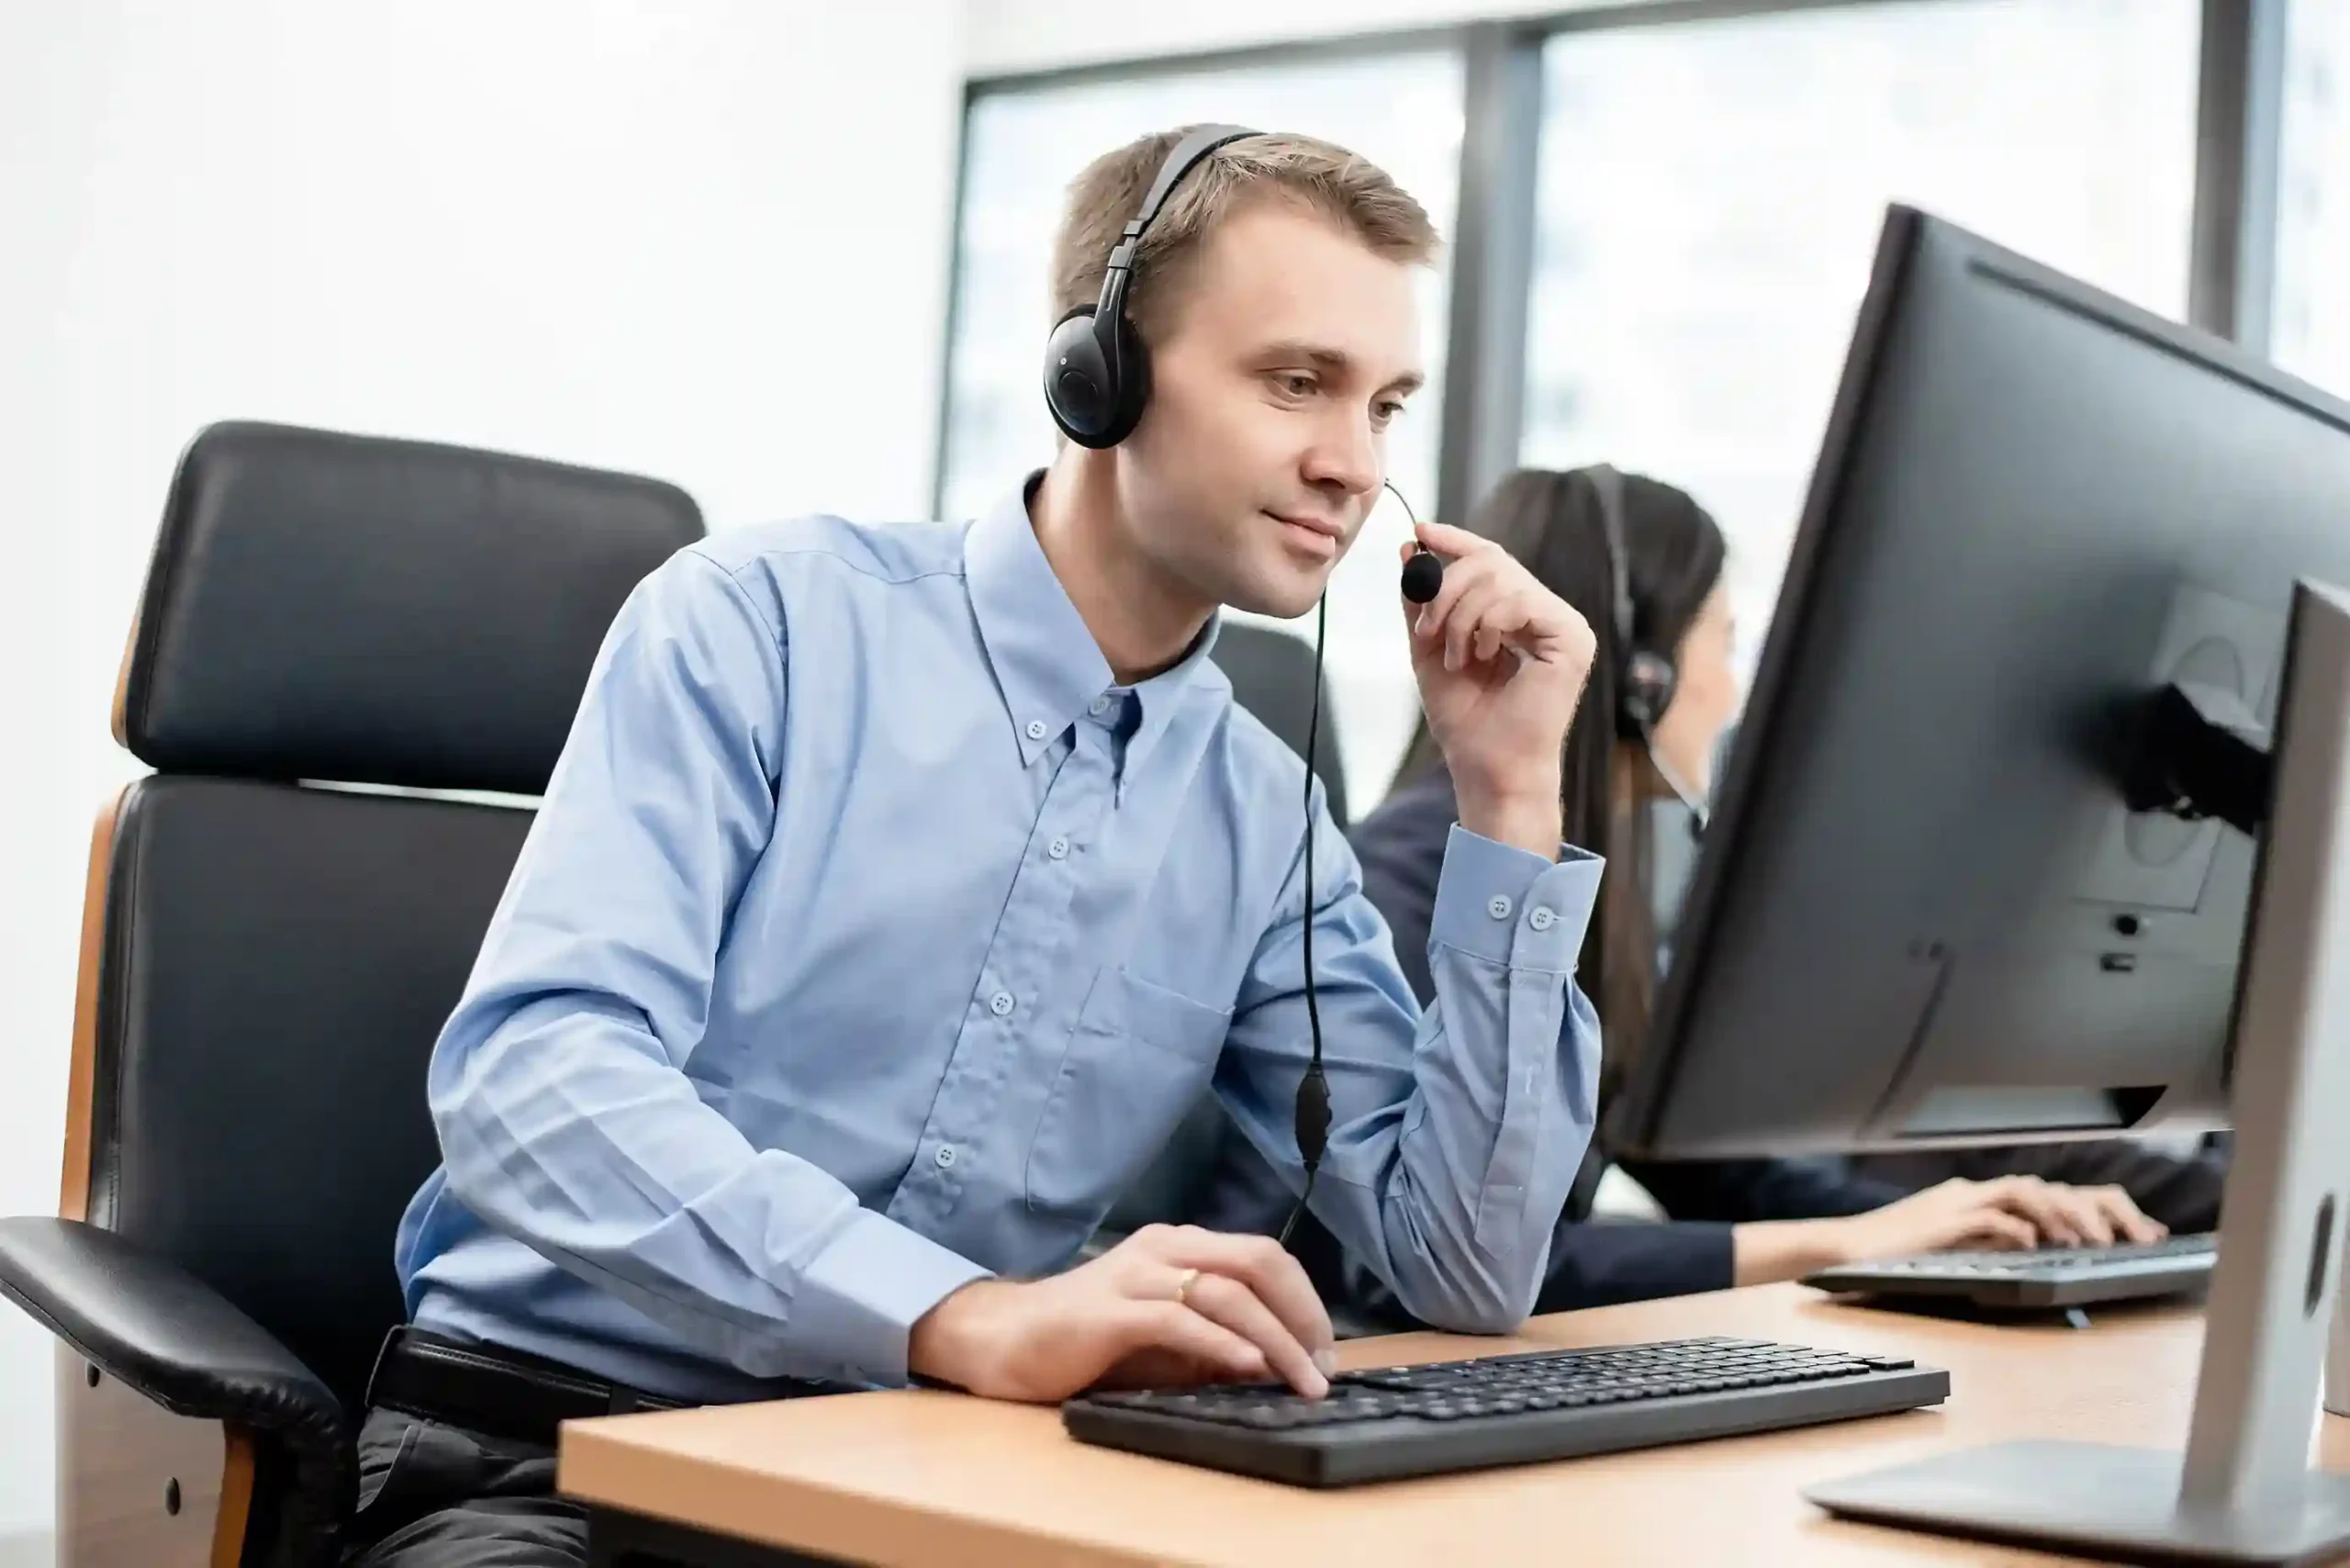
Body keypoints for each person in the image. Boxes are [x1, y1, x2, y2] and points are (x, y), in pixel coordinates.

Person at [340, 129, 1608, 1565]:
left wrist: (1509, 804)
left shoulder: (1262, 818)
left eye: (1385, 404)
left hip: (945, 1487)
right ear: (1099, 369)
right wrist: (956, 1315)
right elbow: (531, 1081)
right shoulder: (764, 624)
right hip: (557, 1457)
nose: (1353, 465)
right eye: (1296, 382)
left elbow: (1468, 1269)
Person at [1210, 465, 2188, 1328]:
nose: (1728, 691)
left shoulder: (1578, 892)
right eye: (1721, 641)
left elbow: (1705, 1162)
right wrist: (1834, 1245)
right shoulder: (1422, 877)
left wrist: (1943, 1219)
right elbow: (1413, 1271)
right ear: (1644, 673)